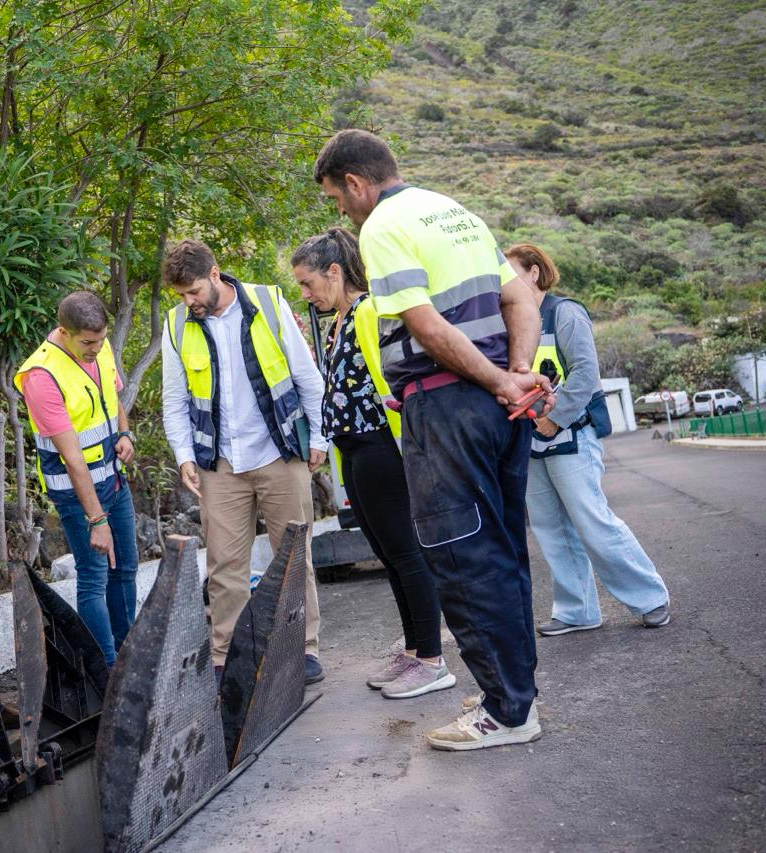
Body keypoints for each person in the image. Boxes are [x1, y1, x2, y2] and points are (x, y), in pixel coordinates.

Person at [314, 129, 555, 750]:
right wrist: (518, 374)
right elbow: (519, 298)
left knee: (461, 557)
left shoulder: (384, 225)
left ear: (356, 183)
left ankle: (506, 713)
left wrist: (502, 379)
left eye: (337, 198)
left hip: (448, 407)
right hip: (496, 410)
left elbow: (423, 324)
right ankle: (513, 694)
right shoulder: (455, 212)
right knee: (501, 552)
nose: (341, 211)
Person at [292, 228, 454, 699]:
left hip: (381, 447)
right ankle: (413, 649)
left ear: (334, 272)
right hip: (353, 450)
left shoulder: (367, 312)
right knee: (388, 554)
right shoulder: (337, 320)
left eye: (308, 283)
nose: (305, 293)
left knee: (406, 552)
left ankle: (432, 658)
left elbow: (388, 379)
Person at [160, 239, 327, 686]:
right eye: (181, 296)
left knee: (293, 557)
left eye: (194, 291)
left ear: (215, 274)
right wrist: (184, 458)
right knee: (224, 565)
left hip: (279, 450)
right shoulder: (176, 324)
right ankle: (225, 657)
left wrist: (321, 437)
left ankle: (304, 648)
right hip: (219, 462)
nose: (189, 302)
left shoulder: (267, 303)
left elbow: (306, 375)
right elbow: (174, 400)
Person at [506, 242, 671, 634]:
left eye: (511, 273)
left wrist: (556, 420)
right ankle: (576, 610)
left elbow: (584, 373)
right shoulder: (510, 321)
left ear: (533, 272)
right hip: (529, 443)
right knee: (549, 529)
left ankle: (651, 597)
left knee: (592, 521)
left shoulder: (565, 312)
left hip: (570, 436)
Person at [14, 291, 138, 665]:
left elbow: (113, 399)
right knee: (94, 577)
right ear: (64, 332)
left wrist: (126, 433)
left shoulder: (98, 348)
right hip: (78, 494)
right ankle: (106, 669)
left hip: (114, 480)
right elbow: (72, 458)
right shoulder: (41, 376)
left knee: (126, 568)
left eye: (101, 340)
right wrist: (95, 519)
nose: (96, 348)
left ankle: (127, 654)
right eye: (88, 343)